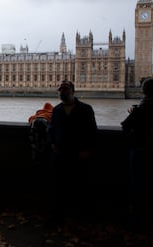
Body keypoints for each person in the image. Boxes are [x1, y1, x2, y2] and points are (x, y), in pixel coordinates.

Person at [121, 78, 153, 230]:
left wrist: (132, 113)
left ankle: (137, 219)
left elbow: (125, 127)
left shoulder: (139, 109)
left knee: (137, 185)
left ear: (143, 91)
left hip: (139, 151)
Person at [47, 80, 97, 226]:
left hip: (78, 153)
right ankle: (58, 216)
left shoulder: (86, 109)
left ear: (73, 91)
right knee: (58, 186)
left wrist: (87, 150)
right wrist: (52, 144)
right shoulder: (56, 110)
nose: (62, 91)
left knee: (80, 186)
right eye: (61, 89)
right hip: (61, 153)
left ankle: (81, 216)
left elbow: (92, 131)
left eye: (66, 89)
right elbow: (51, 129)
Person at [28, 102, 54, 166]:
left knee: (35, 142)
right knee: (45, 142)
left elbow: (30, 118)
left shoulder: (39, 113)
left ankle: (36, 159)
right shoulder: (51, 113)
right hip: (45, 122)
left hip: (35, 121)